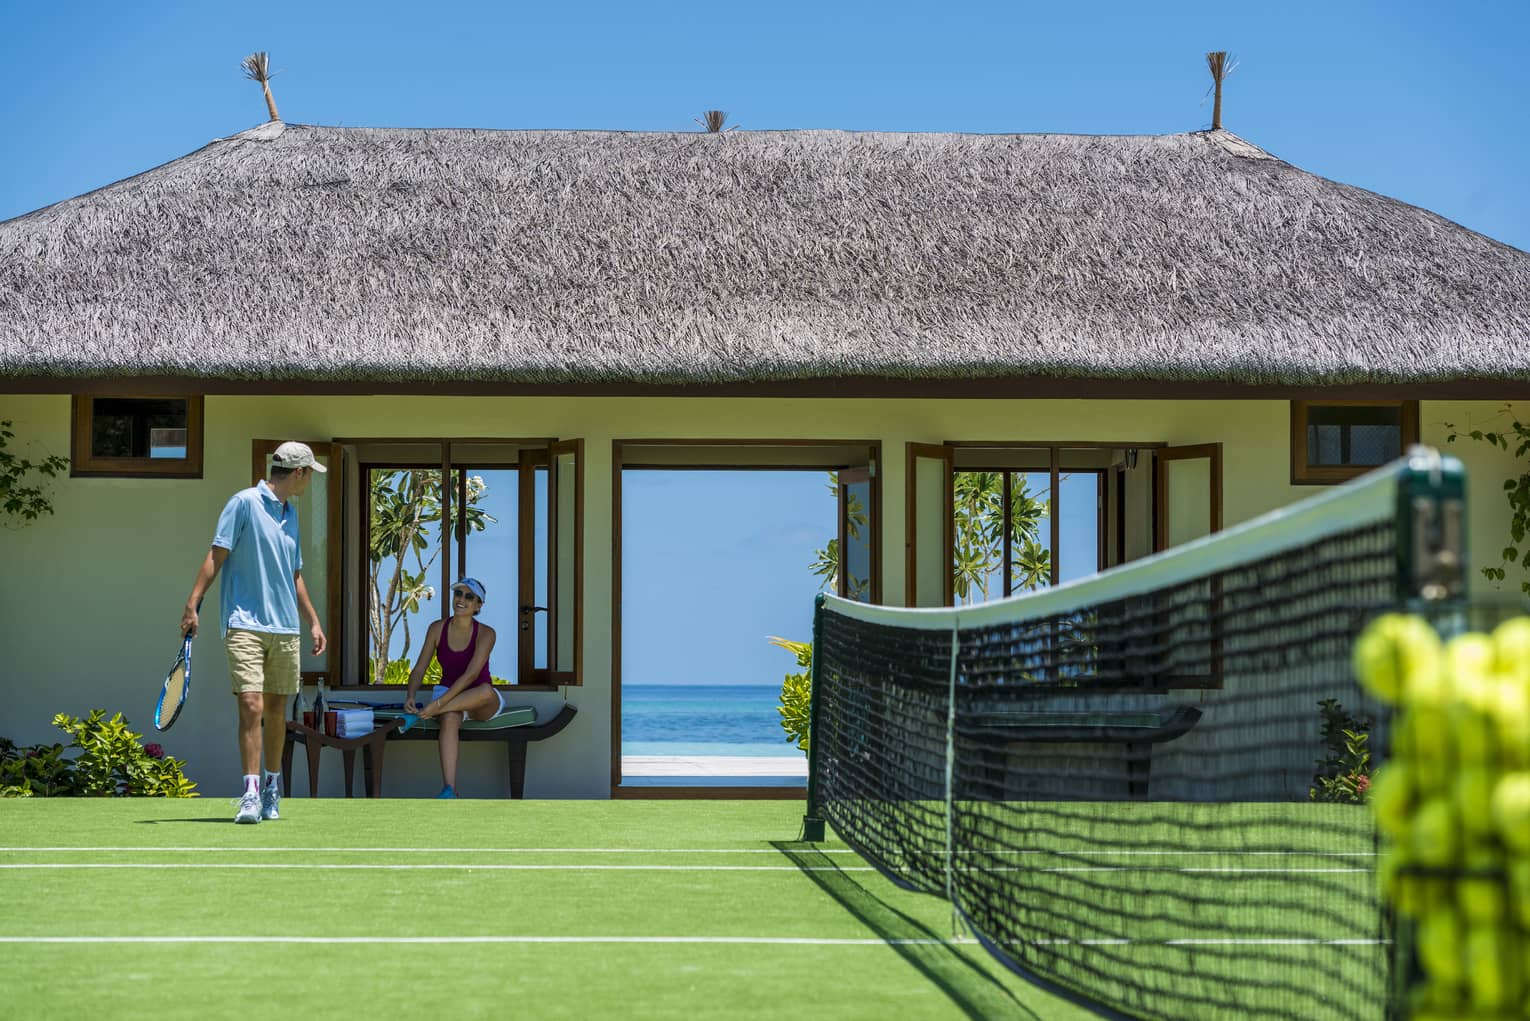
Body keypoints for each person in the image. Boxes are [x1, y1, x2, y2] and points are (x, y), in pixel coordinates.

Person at [181, 442, 328, 824]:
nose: (310, 480)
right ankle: (250, 793)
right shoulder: (243, 503)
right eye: (310, 473)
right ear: (298, 473)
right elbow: (217, 553)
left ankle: (272, 786)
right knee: (251, 705)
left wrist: (312, 620)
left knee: (277, 710)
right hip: (244, 622)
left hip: (286, 628)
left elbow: (293, 574)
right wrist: (193, 602)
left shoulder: (291, 514)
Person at [400, 577, 501, 798]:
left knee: (486, 691)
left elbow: (471, 675)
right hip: (446, 695)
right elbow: (419, 669)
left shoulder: (486, 633)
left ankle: (427, 713)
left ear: (478, 606)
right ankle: (449, 790)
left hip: (477, 697)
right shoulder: (437, 629)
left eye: (469, 596)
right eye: (458, 594)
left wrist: (437, 705)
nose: (461, 599)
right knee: (450, 719)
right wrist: (411, 695)